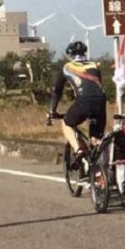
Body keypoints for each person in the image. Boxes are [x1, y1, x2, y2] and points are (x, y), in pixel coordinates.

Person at [48, 41, 108, 169]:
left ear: (70, 55)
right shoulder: (94, 65)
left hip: (83, 101)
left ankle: (78, 150)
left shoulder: (67, 67)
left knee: (67, 123)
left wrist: (52, 111)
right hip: (101, 101)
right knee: (95, 139)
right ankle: (100, 172)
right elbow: (96, 86)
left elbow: (57, 92)